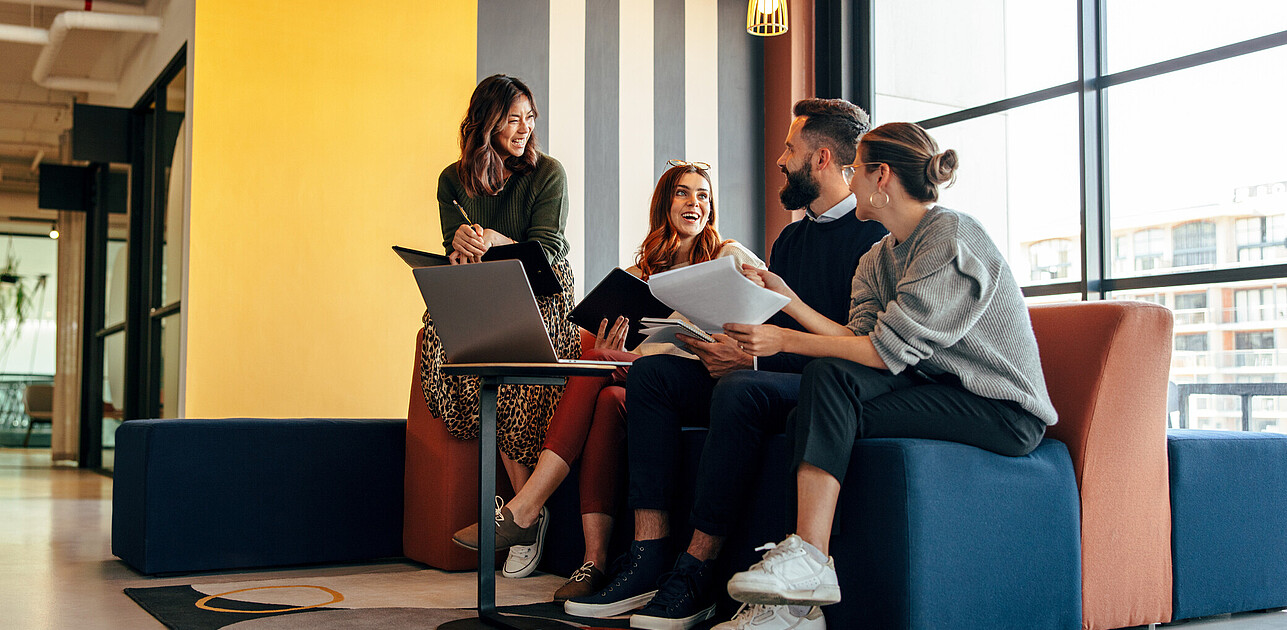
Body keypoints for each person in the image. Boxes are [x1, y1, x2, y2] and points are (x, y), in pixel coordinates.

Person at [565, 99, 888, 630]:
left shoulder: (872, 239)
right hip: (770, 369)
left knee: (739, 390)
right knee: (653, 377)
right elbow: (764, 322)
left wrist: (750, 362)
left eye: (790, 148)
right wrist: (732, 349)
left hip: (825, 384)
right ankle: (648, 557)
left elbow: (853, 347)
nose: (780, 160)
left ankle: (697, 571)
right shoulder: (790, 239)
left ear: (823, 158)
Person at [719, 122, 1057, 627]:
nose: (848, 181)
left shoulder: (950, 236)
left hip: (1001, 409)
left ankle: (810, 565)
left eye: (855, 171)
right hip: (936, 388)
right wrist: (785, 296)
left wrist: (785, 339)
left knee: (826, 389)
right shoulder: (878, 258)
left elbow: (883, 352)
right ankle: (797, 605)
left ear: (882, 177)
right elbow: (855, 339)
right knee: (810, 405)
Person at [451, 160, 765, 599]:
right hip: (645, 382)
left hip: (704, 378)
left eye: (703, 195)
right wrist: (615, 344)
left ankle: (525, 508)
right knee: (604, 390)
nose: (695, 202)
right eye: (683, 193)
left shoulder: (727, 255)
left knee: (599, 359)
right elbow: (640, 350)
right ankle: (593, 562)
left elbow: (765, 308)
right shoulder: (639, 275)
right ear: (664, 204)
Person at [418, 73, 579, 578]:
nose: (525, 128)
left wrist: (494, 238)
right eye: (513, 118)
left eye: (530, 118)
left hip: (541, 290)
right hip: (483, 289)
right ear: (485, 122)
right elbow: (454, 244)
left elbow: (549, 252)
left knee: (508, 368)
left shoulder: (548, 173)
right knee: (449, 340)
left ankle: (522, 514)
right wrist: (460, 248)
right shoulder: (452, 179)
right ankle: (527, 515)